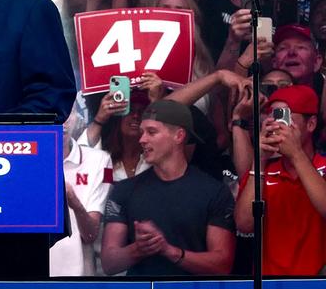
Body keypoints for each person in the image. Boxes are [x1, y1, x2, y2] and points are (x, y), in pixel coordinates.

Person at [101, 100, 236, 276]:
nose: (141, 139)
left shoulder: (214, 191)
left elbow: (222, 265)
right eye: (142, 132)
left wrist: (169, 251)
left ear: (179, 136)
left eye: (151, 132)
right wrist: (139, 248)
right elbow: (109, 263)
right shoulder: (125, 190)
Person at [234, 85, 326, 275]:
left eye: (283, 116)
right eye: (271, 116)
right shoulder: (263, 171)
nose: (276, 124)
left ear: (311, 124)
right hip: (270, 286)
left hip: (319, 285)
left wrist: (296, 154)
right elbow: (244, 224)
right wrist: (259, 161)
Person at [50, 115, 113, 277]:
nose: (61, 122)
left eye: (66, 114)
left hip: (78, 278)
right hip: (31, 282)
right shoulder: (21, 160)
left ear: (76, 116)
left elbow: (90, 234)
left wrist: (73, 200)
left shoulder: (101, 161)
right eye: (54, 115)